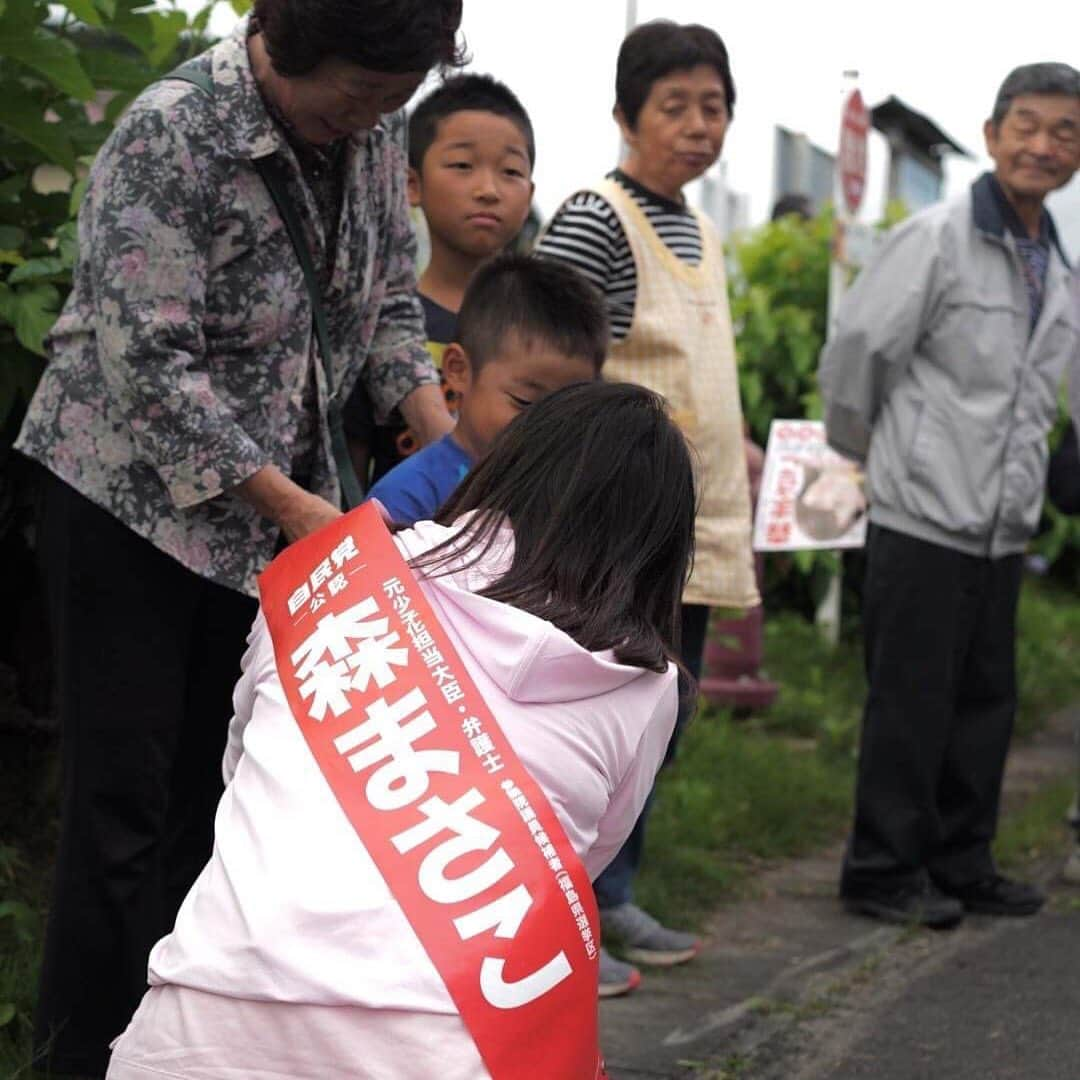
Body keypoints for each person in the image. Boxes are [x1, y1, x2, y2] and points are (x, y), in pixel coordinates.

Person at [14, 1, 464, 1073]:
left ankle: (178, 1051)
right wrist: (304, 511)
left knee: (218, 809)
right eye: (357, 95)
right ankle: (78, 1055)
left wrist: (453, 445)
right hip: (128, 509)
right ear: (296, 48)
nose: (370, 122)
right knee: (119, 812)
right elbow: (150, 371)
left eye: (391, 104)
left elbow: (385, 305)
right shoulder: (171, 134)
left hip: (262, 526)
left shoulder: (370, 123)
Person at [104, 380, 695, 1079]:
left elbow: (243, 770)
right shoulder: (642, 684)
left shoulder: (340, 573)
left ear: (512, 466)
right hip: (440, 1057)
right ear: (658, 548)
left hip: (192, 1036)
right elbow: (571, 865)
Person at [819, 62, 1080, 928]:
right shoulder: (936, 238)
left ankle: (963, 862)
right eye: (1029, 125)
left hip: (1003, 524)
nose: (1044, 145)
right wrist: (871, 458)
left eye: (1066, 132)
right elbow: (859, 351)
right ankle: (882, 872)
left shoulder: (1060, 265)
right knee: (910, 702)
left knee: (983, 702)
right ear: (996, 132)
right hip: (922, 510)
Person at [536, 19, 759, 995]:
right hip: (615, 528)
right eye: (676, 106)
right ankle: (557, 921)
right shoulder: (597, 219)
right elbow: (552, 372)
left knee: (654, 726)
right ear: (626, 115)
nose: (698, 126)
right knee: (591, 728)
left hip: (692, 530)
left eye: (714, 107)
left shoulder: (700, 227)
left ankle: (611, 896)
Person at [345, 73, 537, 483]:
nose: (488, 189)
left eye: (510, 171)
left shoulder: (545, 326)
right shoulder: (379, 327)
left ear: (531, 193)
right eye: (463, 166)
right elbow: (353, 468)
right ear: (411, 184)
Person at [368, 253, 608, 525]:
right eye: (525, 402)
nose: (549, 425)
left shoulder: (575, 495)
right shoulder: (404, 499)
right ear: (458, 369)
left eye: (572, 410)